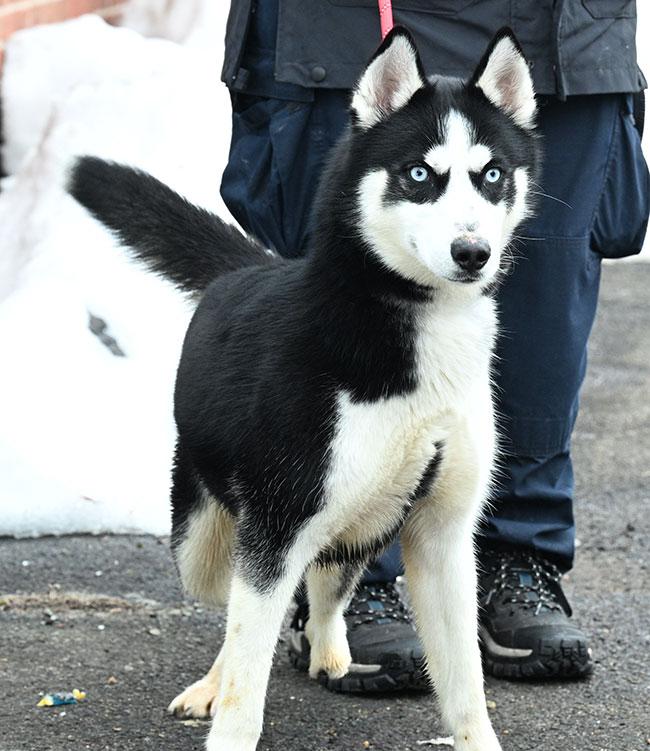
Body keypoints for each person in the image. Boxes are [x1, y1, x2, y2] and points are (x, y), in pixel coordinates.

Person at [218, 1, 649, 690]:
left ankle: (520, 553)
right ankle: (350, 572)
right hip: (359, 24)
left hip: (560, 32)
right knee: (346, 303)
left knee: (546, 309)